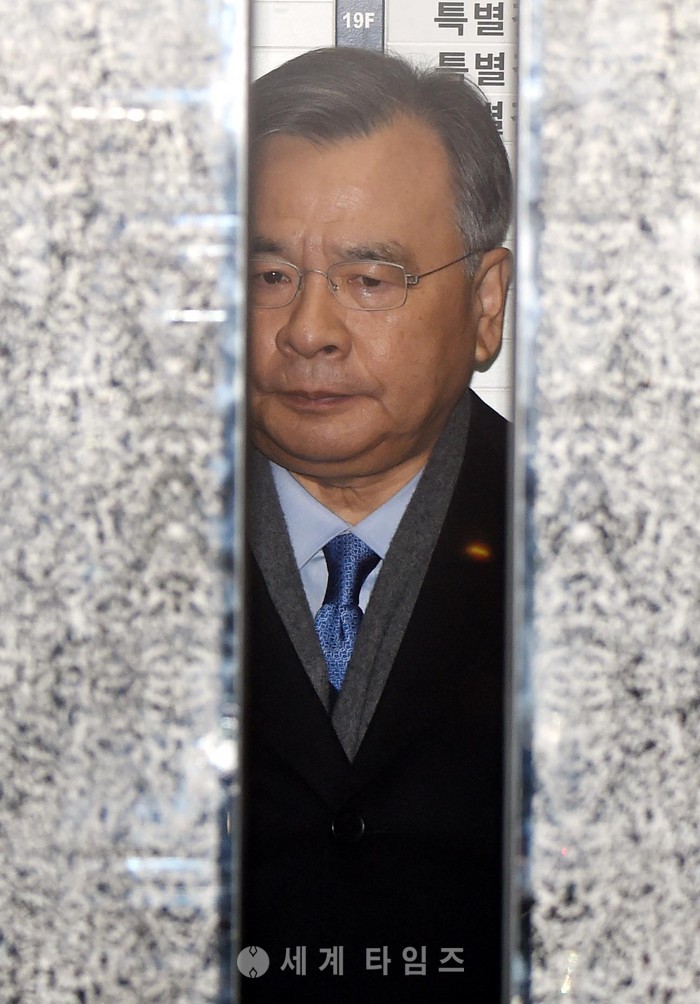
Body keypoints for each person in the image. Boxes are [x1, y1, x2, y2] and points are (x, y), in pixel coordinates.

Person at [240, 45, 512, 1002]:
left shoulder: (614, 558)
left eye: (370, 279)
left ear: (486, 305)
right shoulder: (94, 554)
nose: (308, 330)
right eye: (269, 274)